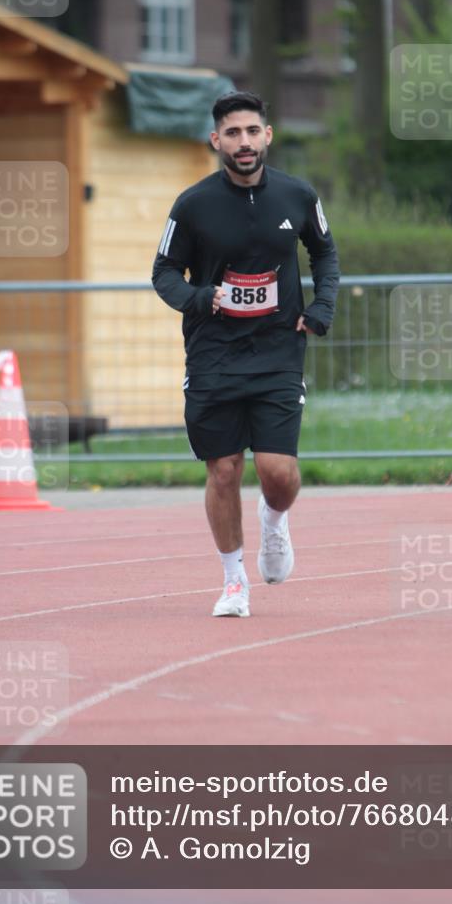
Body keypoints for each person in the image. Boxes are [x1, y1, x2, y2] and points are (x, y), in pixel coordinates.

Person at [152, 91, 339, 618]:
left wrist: (322, 305)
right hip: (214, 353)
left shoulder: (297, 196)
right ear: (217, 141)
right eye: (232, 134)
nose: (244, 142)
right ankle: (234, 581)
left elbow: (324, 251)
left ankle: (274, 522)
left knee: (279, 474)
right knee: (225, 470)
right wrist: (196, 298)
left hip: (279, 349)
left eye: (252, 131)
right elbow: (163, 271)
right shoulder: (192, 205)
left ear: (267, 136)